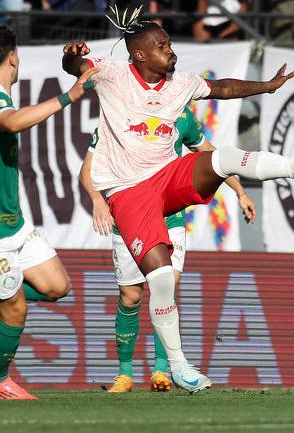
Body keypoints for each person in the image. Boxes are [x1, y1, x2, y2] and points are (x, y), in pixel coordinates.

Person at [62, 6, 294, 393]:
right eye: (162, 45)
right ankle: (178, 366)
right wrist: (71, 54)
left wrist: (266, 86)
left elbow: (224, 88)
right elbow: (75, 65)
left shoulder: (181, 83)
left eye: (169, 43)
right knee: (160, 281)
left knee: (219, 158)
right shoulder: (112, 73)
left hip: (166, 180)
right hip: (128, 194)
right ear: (139, 54)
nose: (170, 50)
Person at [0, 25, 97, 400]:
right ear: (13, 57)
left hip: (10, 223)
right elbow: (11, 122)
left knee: (57, 287)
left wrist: (76, 62)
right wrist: (70, 97)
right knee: (14, 308)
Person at [80, 108, 257, 393]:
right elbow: (87, 168)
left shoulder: (180, 115)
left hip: (169, 216)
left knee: (167, 285)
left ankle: (162, 370)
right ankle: (125, 374)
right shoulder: (116, 114)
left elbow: (212, 155)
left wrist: (240, 191)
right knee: (130, 295)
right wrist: (96, 199)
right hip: (130, 216)